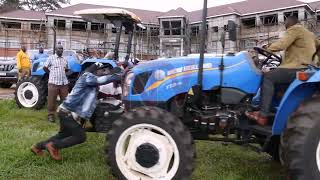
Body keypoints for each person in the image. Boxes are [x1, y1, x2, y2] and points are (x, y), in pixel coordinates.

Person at [31, 63, 122, 161]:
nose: (105, 72)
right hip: (68, 113)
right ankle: (53, 146)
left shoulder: (92, 84)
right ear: (96, 70)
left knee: (63, 135)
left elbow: (96, 95)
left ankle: (37, 147)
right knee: (80, 137)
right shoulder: (87, 76)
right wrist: (118, 75)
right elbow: (100, 80)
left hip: (65, 112)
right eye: (103, 70)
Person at [246, 16, 320, 126]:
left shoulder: (295, 29)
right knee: (274, 76)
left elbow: (282, 44)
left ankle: (262, 115)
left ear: (289, 23)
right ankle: (267, 108)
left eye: (285, 23)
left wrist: (266, 48)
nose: (285, 26)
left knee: (268, 77)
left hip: (297, 68)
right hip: (308, 68)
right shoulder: (310, 35)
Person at [44, 45, 69, 123]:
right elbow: (45, 68)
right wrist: (51, 74)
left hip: (63, 83)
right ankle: (51, 115)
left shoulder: (65, 59)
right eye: (59, 48)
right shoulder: (51, 58)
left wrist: (64, 73)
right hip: (53, 83)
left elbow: (67, 69)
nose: (61, 50)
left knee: (65, 100)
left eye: (62, 48)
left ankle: (63, 115)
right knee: (52, 100)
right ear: (55, 50)